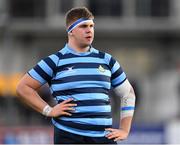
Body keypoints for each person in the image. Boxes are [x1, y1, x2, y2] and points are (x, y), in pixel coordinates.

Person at [16, 7, 136, 144]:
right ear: (71, 31)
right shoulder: (55, 61)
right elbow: (23, 88)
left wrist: (125, 129)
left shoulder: (107, 60)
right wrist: (48, 110)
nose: (89, 30)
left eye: (92, 26)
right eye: (84, 26)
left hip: (104, 138)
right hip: (69, 136)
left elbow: (128, 94)